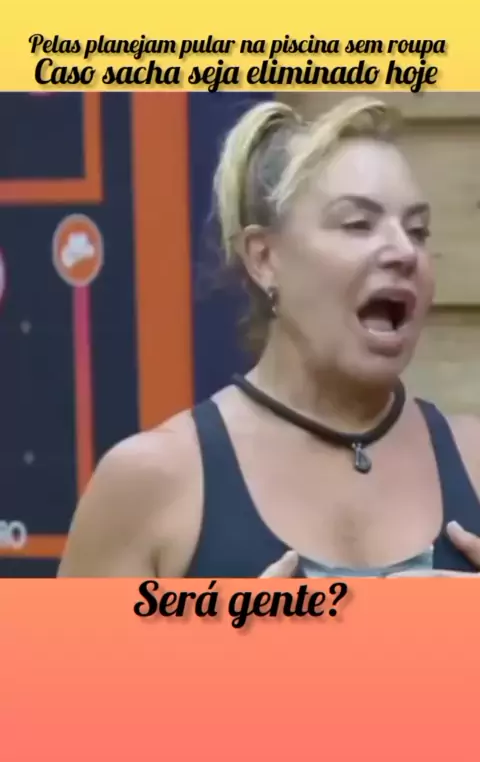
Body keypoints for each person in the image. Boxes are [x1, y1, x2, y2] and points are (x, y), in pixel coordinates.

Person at [58, 96, 480, 579]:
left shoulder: (473, 457)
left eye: (418, 231)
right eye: (358, 224)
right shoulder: (152, 483)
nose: (404, 252)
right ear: (264, 259)